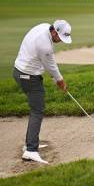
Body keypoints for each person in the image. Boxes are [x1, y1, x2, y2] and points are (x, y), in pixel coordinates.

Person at [13, 20, 72, 164]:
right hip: (28, 76)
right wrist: (60, 81)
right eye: (60, 37)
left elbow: (46, 64)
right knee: (38, 110)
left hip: (20, 71)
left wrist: (56, 79)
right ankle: (31, 150)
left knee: (36, 109)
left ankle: (31, 142)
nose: (60, 41)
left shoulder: (44, 26)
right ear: (54, 32)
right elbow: (51, 67)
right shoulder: (45, 46)